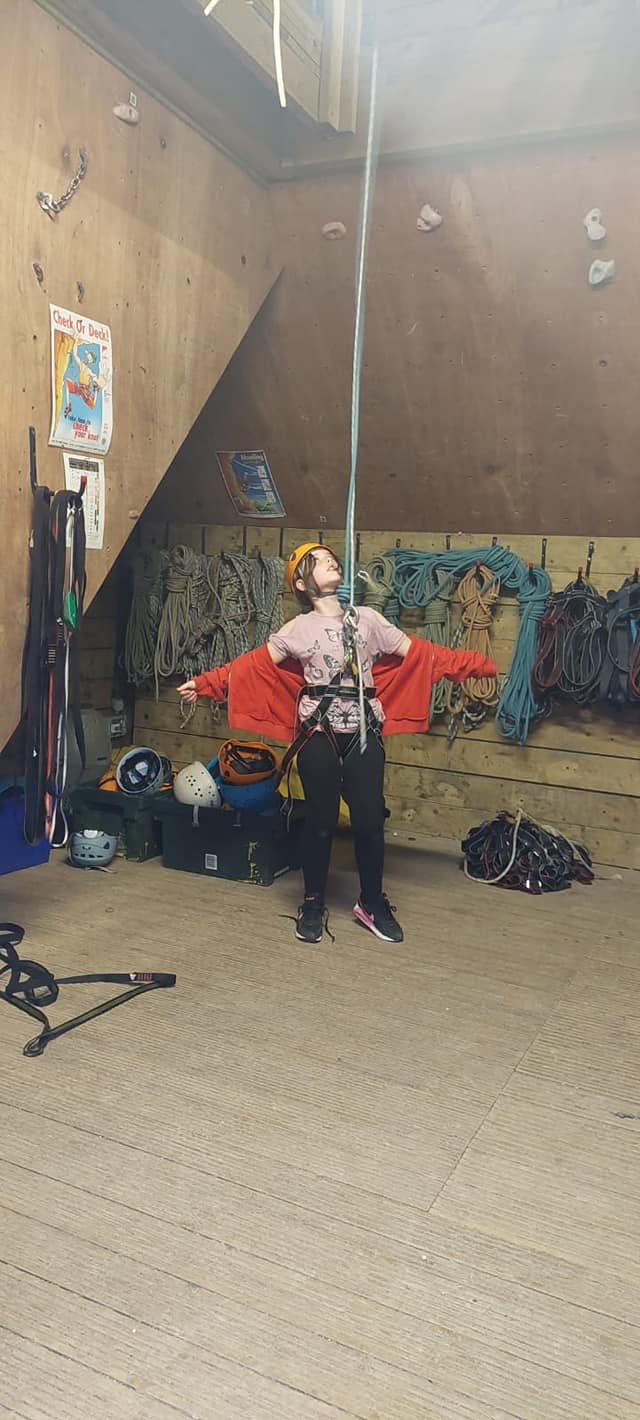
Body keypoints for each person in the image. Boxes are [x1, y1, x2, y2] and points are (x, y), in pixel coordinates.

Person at [178, 543, 498, 947]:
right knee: (320, 820)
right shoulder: (297, 629)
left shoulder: (368, 620)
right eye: (316, 559)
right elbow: (251, 667)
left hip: (363, 730)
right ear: (301, 582)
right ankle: (312, 901)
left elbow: (422, 655)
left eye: (332, 556)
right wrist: (207, 684)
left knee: (369, 820)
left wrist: (474, 665)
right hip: (318, 732)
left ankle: (371, 902)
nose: (331, 559)